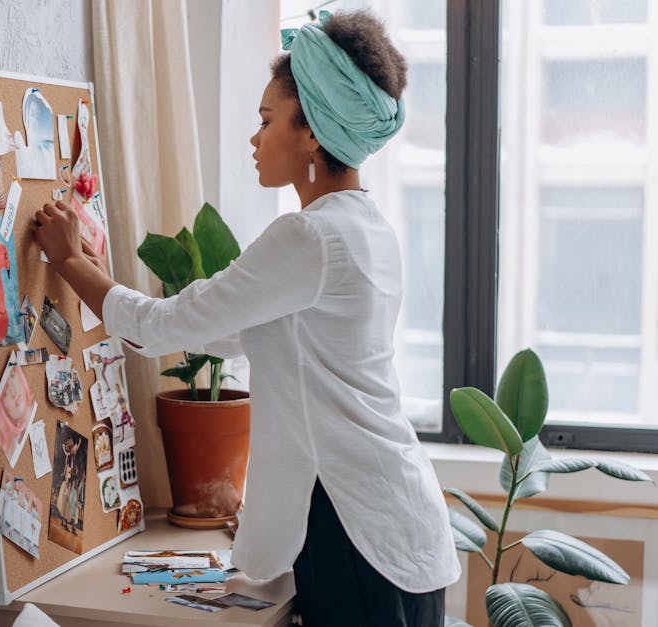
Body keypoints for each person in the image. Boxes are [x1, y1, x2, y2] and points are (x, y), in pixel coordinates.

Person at [29, 10, 459, 625]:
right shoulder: (367, 230)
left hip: (357, 534)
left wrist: (68, 259)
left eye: (266, 120)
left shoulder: (309, 238)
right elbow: (228, 331)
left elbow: (159, 329)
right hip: (399, 525)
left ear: (311, 132)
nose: (254, 138)